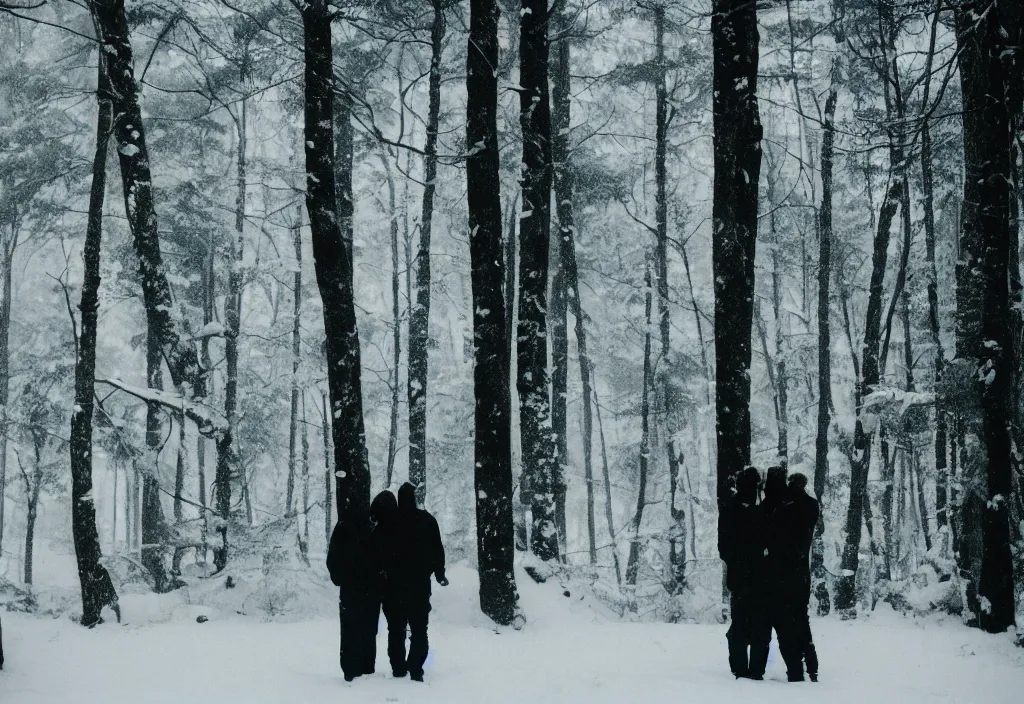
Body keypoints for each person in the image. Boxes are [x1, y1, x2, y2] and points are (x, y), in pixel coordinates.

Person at [379, 482, 448, 682]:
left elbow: (378, 552)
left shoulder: (388, 522)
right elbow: (437, 551)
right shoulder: (427, 521)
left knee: (396, 630)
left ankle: (399, 668)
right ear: (415, 498)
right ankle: (416, 668)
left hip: (392, 587)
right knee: (419, 630)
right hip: (419, 586)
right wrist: (439, 574)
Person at [326, 491, 396, 681]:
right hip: (371, 590)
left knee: (349, 629)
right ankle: (366, 669)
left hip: (350, 590)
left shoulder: (343, 528)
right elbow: (384, 559)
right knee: (368, 629)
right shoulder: (373, 529)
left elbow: (332, 559)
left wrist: (340, 578)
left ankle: (350, 670)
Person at [719, 466, 770, 680]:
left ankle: (741, 669)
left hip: (741, 578)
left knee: (741, 624)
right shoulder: (759, 512)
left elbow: (724, 548)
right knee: (757, 625)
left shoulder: (731, 509)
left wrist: (737, 563)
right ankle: (753, 670)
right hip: (756, 578)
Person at [762, 465, 807, 682]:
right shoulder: (790, 507)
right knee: (786, 628)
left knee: (767, 628)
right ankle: (795, 671)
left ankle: (756, 672)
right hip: (788, 576)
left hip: (768, 576)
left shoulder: (766, 507)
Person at [788, 472, 820, 681]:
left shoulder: (785, 504)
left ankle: (796, 666)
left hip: (785, 571)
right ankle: (811, 665)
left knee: (788, 619)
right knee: (801, 617)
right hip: (801, 570)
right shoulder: (811, 505)